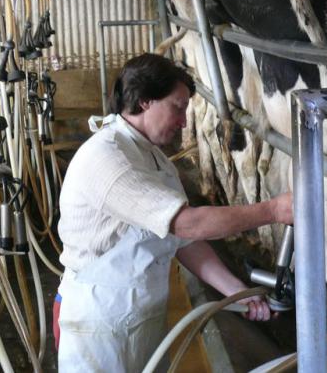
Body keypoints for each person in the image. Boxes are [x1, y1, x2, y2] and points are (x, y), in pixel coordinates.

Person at [54, 53, 293, 372]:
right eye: (177, 107)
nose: (183, 121)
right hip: (98, 327)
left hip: (141, 318)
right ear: (143, 102)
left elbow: (182, 242)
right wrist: (274, 209)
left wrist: (237, 293)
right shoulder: (108, 158)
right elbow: (188, 225)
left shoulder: (154, 159)